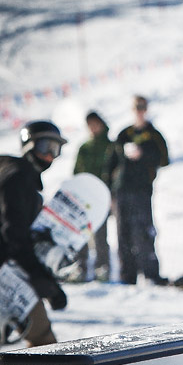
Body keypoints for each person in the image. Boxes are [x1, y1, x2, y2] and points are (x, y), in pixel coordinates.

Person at [0, 120, 69, 350]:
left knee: (35, 342)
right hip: (5, 278)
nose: (49, 155)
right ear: (29, 146)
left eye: (55, 150)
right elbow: (14, 238)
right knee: (43, 344)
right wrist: (44, 283)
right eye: (45, 147)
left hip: (3, 275)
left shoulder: (20, 179)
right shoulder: (18, 179)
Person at [105, 95, 169, 285]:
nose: (139, 111)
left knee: (143, 230)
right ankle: (127, 274)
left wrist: (143, 154)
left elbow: (164, 159)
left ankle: (150, 273)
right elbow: (110, 164)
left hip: (141, 189)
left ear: (146, 109)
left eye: (142, 107)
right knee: (122, 232)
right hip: (122, 189)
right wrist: (109, 189)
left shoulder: (153, 135)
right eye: (136, 107)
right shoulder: (124, 134)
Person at [69, 111, 112, 282]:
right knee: (82, 233)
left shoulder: (110, 146)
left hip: (101, 199)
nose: (93, 128)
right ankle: (81, 266)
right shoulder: (84, 148)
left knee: (100, 235)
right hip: (84, 199)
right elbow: (76, 173)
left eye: (95, 124)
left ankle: (103, 267)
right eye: (90, 125)